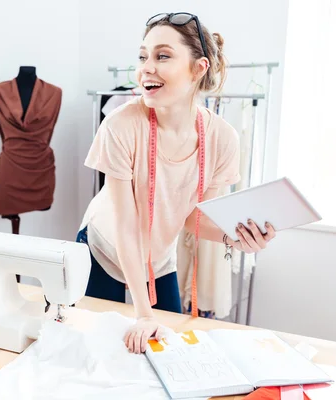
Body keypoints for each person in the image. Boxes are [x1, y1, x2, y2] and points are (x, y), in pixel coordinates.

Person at [76, 12, 277, 354]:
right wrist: (142, 314)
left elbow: (194, 219)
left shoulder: (222, 139)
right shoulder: (120, 126)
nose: (146, 68)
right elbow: (126, 226)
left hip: (159, 260)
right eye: (143, 56)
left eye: (162, 56)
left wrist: (237, 238)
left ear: (198, 68)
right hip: (104, 249)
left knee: (169, 351)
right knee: (99, 351)